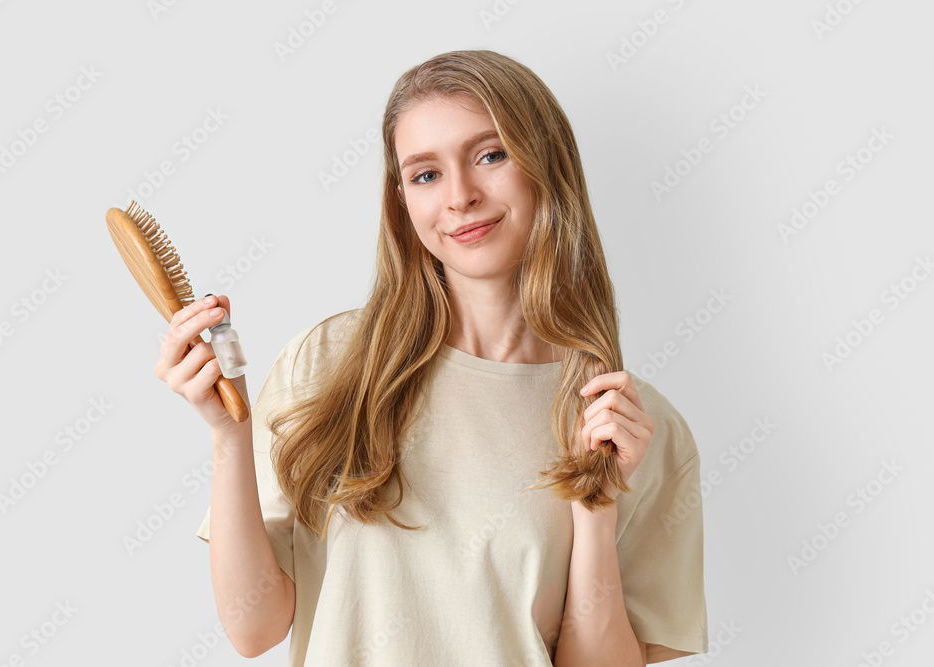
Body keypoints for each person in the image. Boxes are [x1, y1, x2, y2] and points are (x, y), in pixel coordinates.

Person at [156, 49, 709, 666]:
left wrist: (596, 516)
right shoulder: (327, 363)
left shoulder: (632, 425)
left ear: (546, 165)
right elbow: (253, 629)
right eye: (426, 174)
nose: (461, 197)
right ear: (402, 200)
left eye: (490, 155)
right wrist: (230, 439)